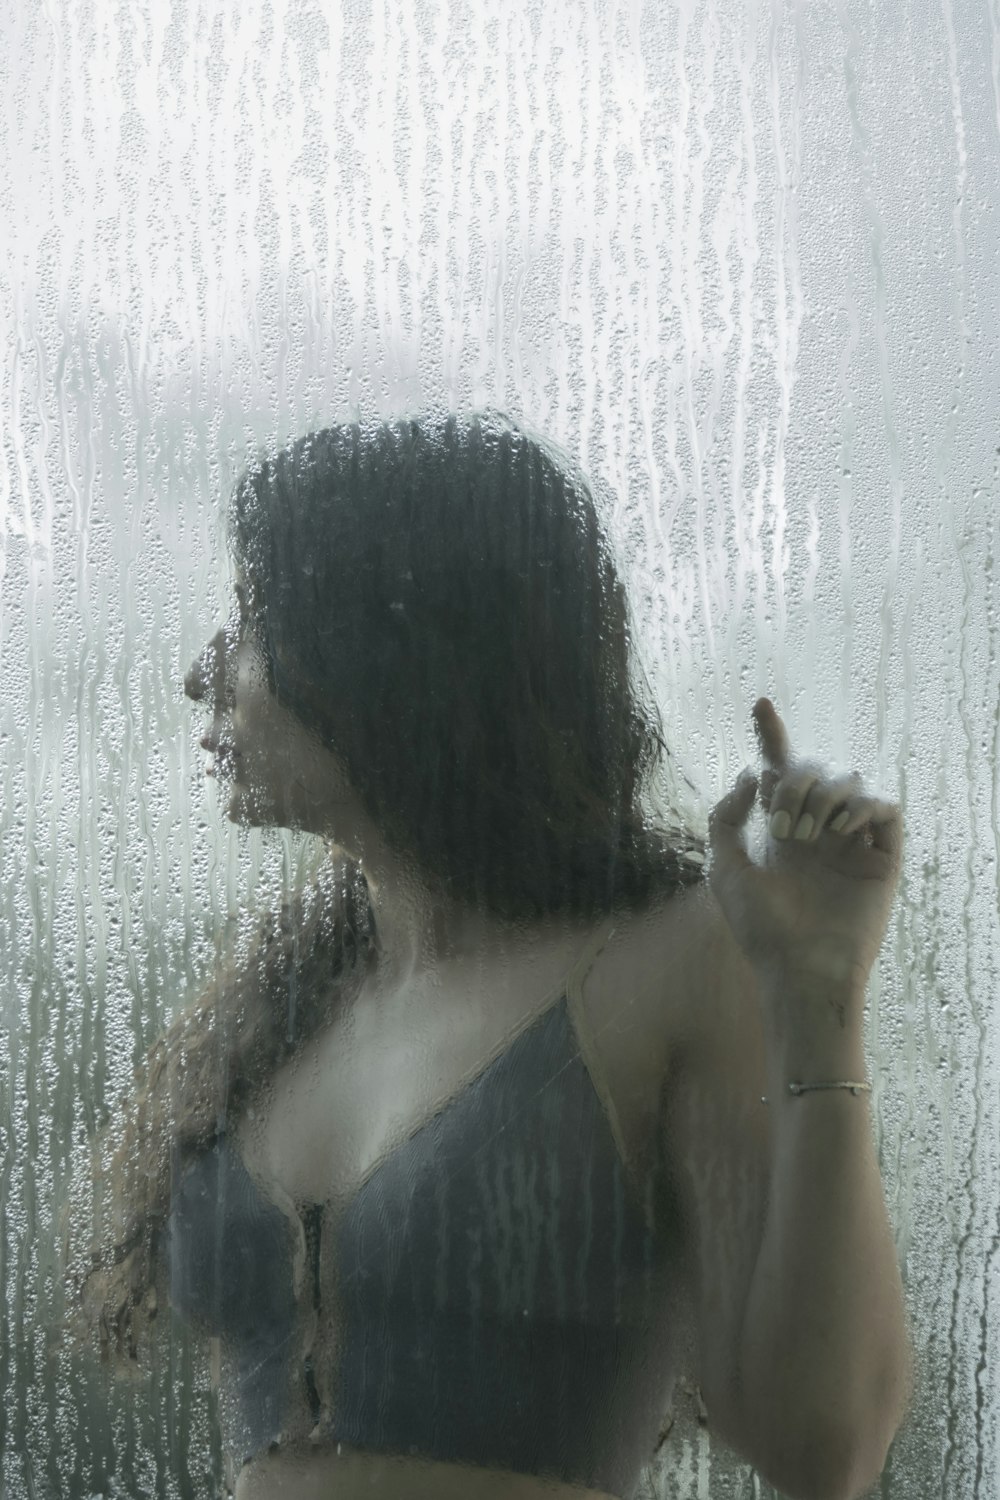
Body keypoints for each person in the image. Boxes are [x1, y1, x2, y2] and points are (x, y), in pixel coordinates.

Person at [66, 410, 914, 1500]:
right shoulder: (294, 1003)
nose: (203, 673)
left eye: (252, 619)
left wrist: (818, 995)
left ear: (391, 640)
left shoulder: (672, 962)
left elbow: (822, 1448)